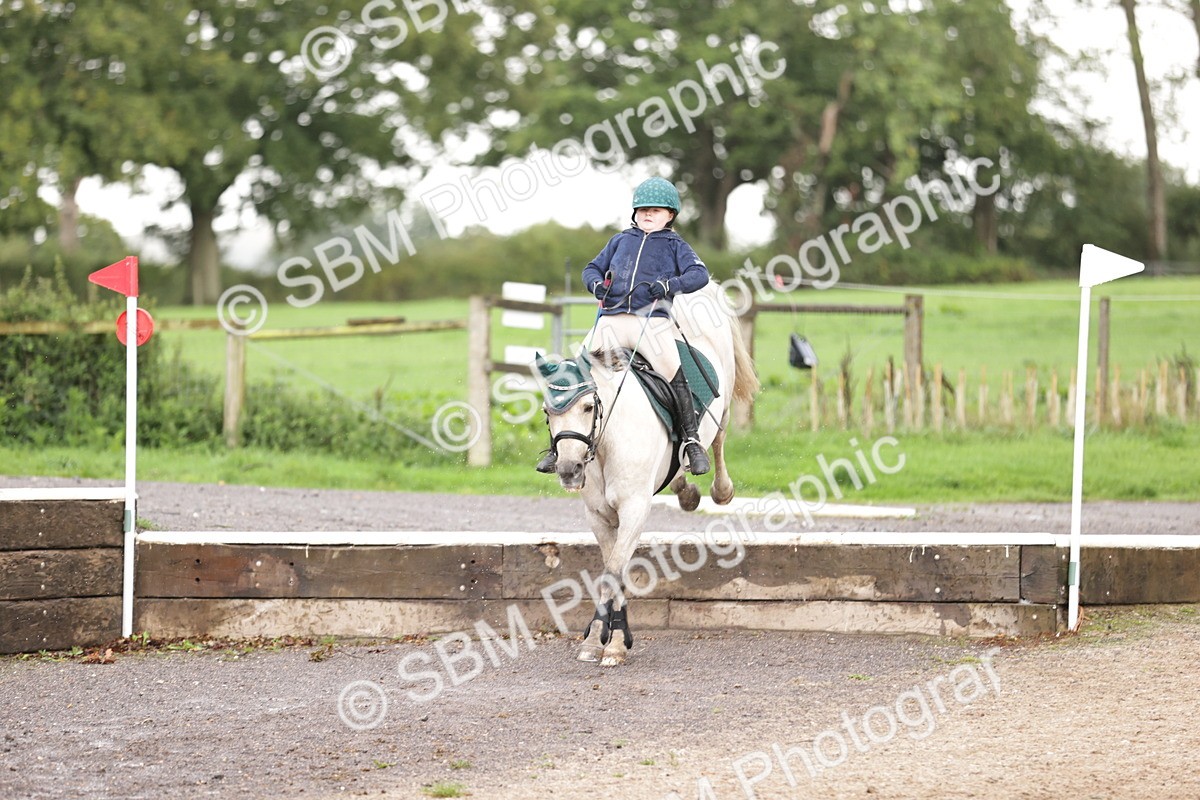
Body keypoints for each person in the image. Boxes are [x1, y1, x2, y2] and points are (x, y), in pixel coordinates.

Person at [536, 177, 711, 475]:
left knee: (673, 373)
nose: (647, 214)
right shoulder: (620, 240)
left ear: (670, 215)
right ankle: (557, 449)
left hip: (651, 323)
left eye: (655, 210)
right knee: (575, 372)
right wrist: (595, 286)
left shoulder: (676, 245)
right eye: (642, 209)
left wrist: (670, 285)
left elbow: (699, 275)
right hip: (611, 321)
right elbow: (591, 269)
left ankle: (692, 442)